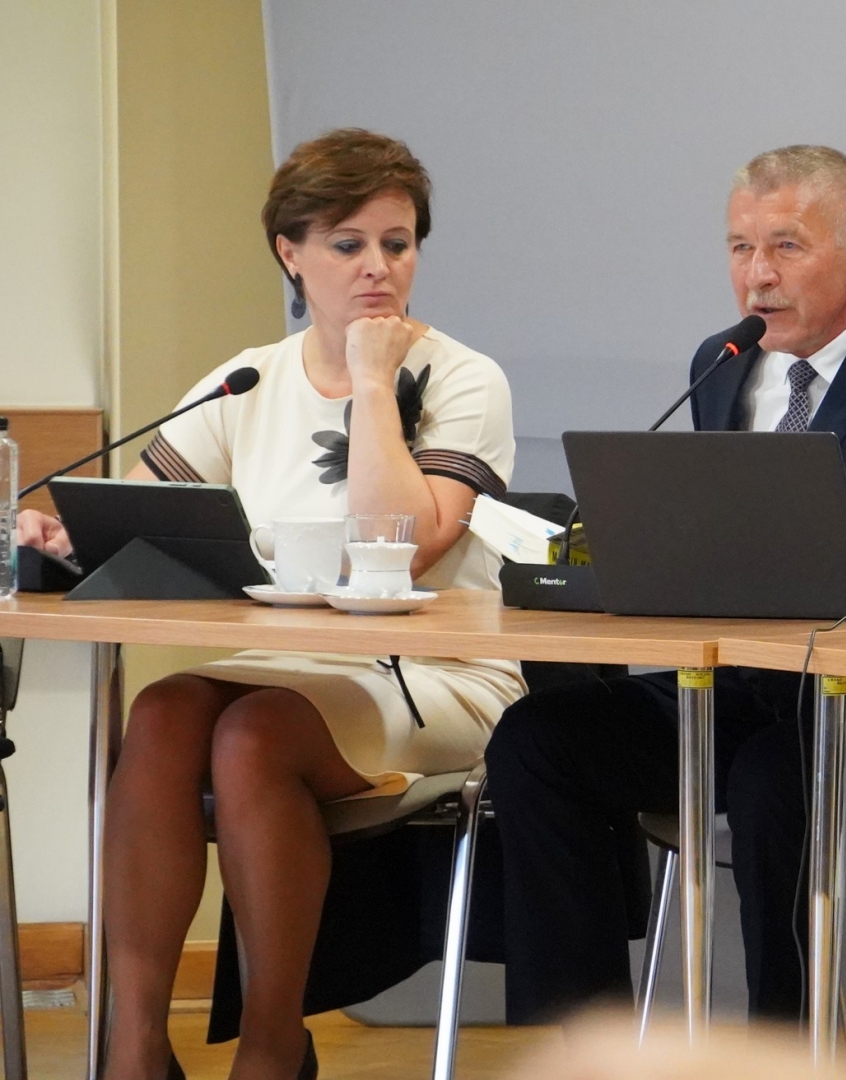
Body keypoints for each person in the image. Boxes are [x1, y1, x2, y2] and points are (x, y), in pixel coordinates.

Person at [486, 145, 846, 1022]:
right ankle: (582, 1039)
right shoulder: (724, 361)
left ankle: (783, 1047)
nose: (758, 276)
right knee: (540, 740)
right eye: (740, 248)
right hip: (749, 692)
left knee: (772, 778)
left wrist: (790, 563)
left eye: (787, 246)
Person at [19, 129, 521, 1080]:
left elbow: (405, 542)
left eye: (398, 243)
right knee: (163, 712)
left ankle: (271, 1046)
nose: (378, 267)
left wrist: (372, 383)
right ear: (291, 254)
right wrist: (64, 536)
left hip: (435, 675)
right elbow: (140, 518)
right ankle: (134, 1050)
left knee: (253, 735)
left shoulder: (464, 378)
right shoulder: (247, 378)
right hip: (284, 670)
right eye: (347, 244)